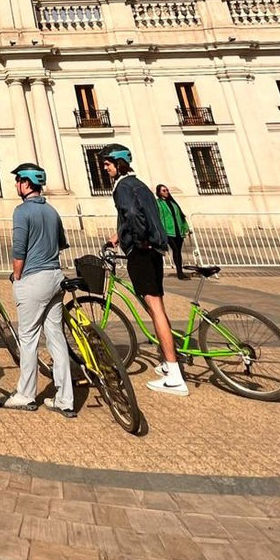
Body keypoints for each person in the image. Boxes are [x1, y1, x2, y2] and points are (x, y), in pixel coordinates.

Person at [100, 144, 189, 396]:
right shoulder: (139, 185)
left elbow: (131, 214)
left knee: (156, 309)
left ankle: (175, 376)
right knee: (156, 307)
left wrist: (138, 241)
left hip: (142, 253)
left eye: (107, 164)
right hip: (154, 251)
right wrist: (118, 236)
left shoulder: (122, 187)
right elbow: (141, 214)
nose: (105, 168)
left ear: (119, 164)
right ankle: (168, 361)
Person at [1, 163, 75, 417]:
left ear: (26, 183)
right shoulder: (52, 211)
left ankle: (26, 394)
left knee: (28, 337)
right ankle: (65, 399)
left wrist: (17, 276)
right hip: (55, 277)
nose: (16, 185)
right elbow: (61, 243)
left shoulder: (22, 211)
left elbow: (19, 249)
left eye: (18, 180)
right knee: (56, 337)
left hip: (33, 278)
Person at [156, 185, 191, 280]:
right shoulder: (158, 203)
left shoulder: (173, 203)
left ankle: (180, 271)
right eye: (163, 190)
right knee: (175, 249)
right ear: (159, 192)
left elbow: (181, 216)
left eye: (167, 190)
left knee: (178, 251)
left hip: (178, 230)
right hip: (168, 231)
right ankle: (179, 273)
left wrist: (186, 227)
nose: (166, 192)